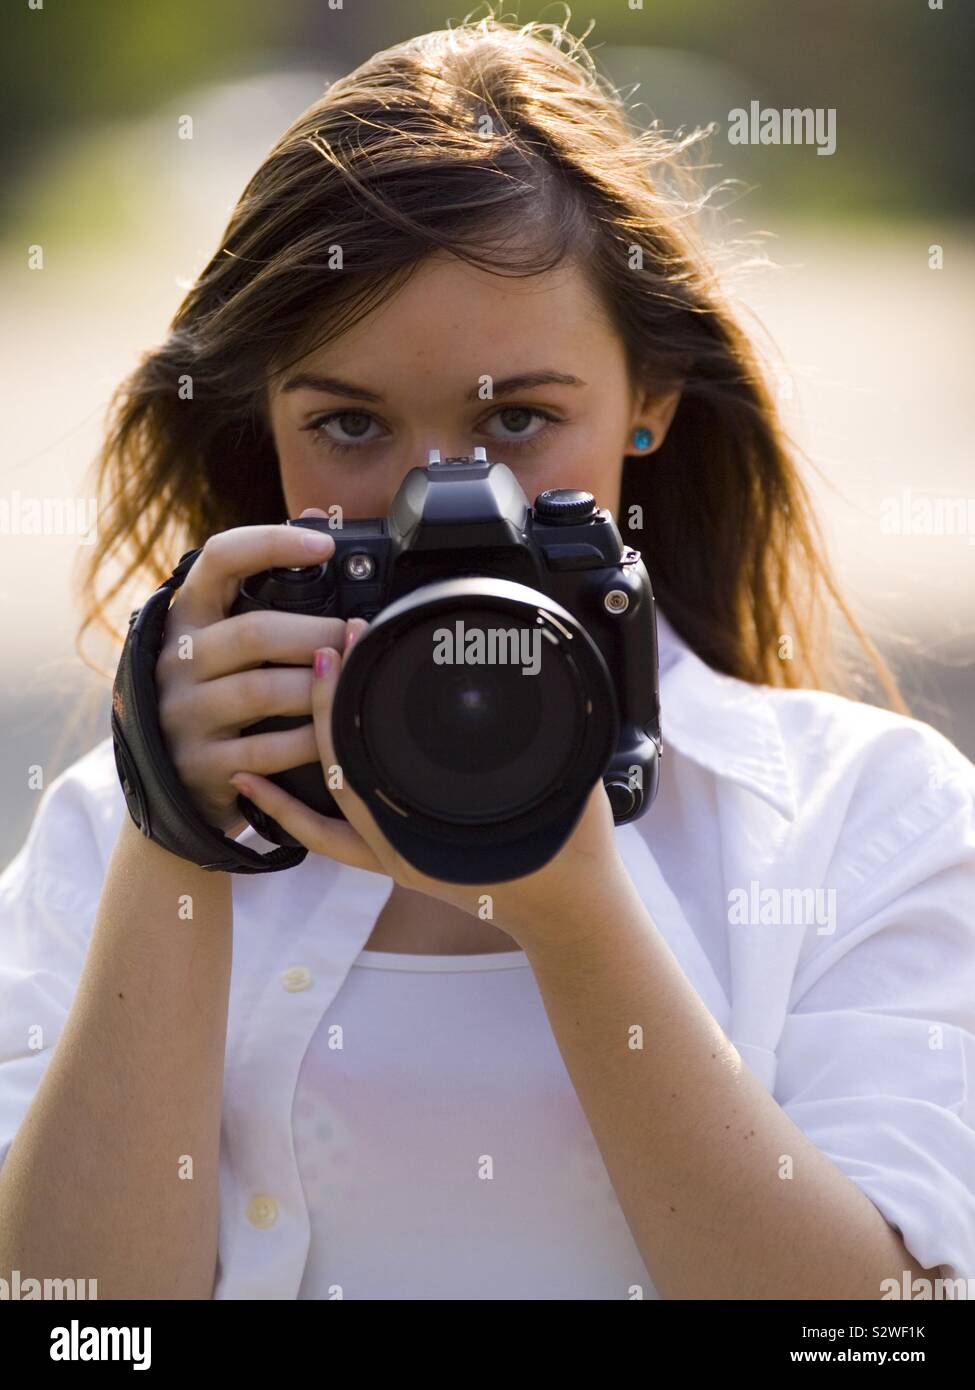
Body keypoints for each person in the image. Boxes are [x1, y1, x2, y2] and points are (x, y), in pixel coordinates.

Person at [1, 16, 973, 1302]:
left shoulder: (862, 818)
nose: (435, 498)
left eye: (517, 418)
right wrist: (175, 842)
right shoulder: (114, 842)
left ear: (652, 405)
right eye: (348, 422)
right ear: (265, 429)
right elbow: (77, 1333)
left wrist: (571, 916)